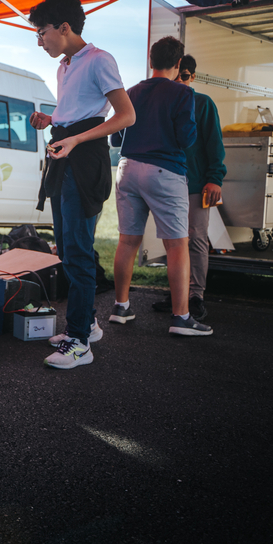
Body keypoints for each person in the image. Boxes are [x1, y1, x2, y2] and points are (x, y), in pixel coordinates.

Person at [27, 0, 136, 370]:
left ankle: (78, 342)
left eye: (41, 33)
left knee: (78, 248)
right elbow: (73, 110)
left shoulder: (100, 59)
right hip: (64, 153)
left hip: (84, 159)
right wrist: (52, 119)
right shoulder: (64, 66)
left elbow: (125, 116)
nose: (39, 40)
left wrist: (74, 138)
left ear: (64, 27)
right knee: (68, 247)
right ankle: (86, 325)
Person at [109, 37, 212, 337]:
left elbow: (116, 139)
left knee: (127, 241)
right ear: (179, 64)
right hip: (164, 171)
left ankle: (120, 307)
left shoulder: (132, 92)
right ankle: (181, 317)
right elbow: (187, 139)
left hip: (127, 169)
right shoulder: (182, 93)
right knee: (177, 244)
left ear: (151, 60)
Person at [152, 54, 226, 321]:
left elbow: (214, 144)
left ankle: (194, 296)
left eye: (185, 76)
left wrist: (215, 178)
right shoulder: (165, 101)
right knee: (174, 240)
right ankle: (177, 295)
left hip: (196, 184)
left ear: (192, 77)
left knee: (195, 238)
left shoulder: (203, 103)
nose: (179, 80)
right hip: (168, 182)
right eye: (176, 75)